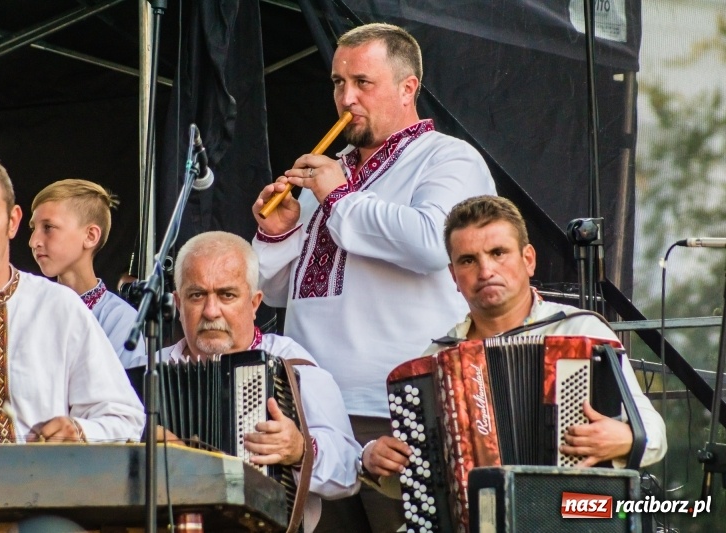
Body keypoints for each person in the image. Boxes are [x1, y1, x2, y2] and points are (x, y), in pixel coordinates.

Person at [251, 22, 496, 531]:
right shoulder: (330, 173)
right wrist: (278, 234)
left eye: (363, 82)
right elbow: (275, 293)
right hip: (312, 408)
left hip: (398, 407)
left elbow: (432, 244)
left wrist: (339, 197)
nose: (347, 98)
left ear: (408, 88)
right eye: (339, 83)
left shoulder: (448, 158)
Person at [390, 195, 665, 474]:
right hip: (475, 503)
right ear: (454, 276)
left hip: (568, 499)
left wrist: (627, 439)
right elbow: (414, 471)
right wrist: (376, 462)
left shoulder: (580, 331)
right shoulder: (439, 360)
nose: (485, 271)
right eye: (468, 260)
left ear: (528, 259)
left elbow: (653, 432)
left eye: (498, 253)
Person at [0, 153, 145, 445]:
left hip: (45, 477)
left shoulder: (59, 308)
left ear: (12, 222)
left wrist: (80, 432)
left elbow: (124, 417)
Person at [160, 231, 361, 533]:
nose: (211, 311)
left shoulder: (290, 362)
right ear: (178, 303)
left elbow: (350, 468)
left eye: (227, 295)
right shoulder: (152, 370)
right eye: (197, 295)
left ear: (254, 303)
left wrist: (300, 450)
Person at [29, 179, 146, 369]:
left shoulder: (119, 319)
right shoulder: (29, 311)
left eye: (48, 227)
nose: (33, 241)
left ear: (91, 236)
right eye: (33, 229)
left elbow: (122, 386)